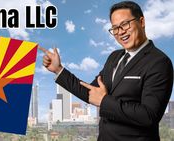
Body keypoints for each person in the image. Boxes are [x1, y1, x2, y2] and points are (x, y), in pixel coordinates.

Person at [39, 1, 173, 141]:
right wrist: (58, 70)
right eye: (115, 28)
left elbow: (149, 116)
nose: (121, 32)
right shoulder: (114, 57)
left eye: (125, 24)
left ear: (141, 21)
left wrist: (104, 101)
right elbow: (90, 92)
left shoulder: (159, 62)